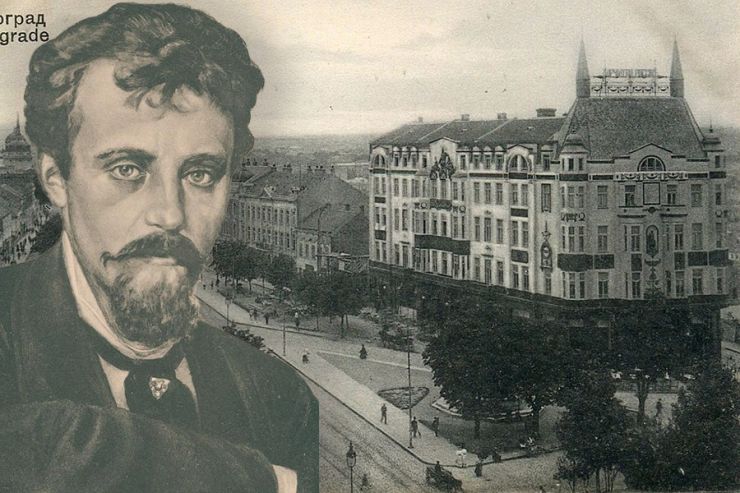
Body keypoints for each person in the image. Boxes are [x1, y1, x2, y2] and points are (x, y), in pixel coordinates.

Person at [0, 4, 318, 492]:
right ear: (56, 178)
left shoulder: (280, 396)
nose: (170, 214)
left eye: (200, 174)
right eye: (127, 169)